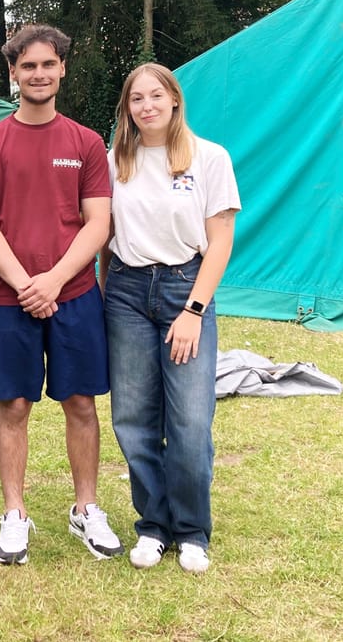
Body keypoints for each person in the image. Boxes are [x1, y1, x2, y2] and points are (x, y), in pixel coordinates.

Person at [0, 24, 124, 565]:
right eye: (27, 66)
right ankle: (14, 515)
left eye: (47, 65)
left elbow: (97, 222)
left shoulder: (84, 143)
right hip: (10, 299)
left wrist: (54, 280)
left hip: (75, 294)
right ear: (13, 72)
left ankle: (86, 509)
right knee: (14, 404)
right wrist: (26, 284)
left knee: (81, 402)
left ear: (62, 70)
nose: (38, 74)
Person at [100, 62, 239, 574]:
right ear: (127, 107)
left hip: (186, 286)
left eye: (156, 96)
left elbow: (220, 241)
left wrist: (194, 311)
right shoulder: (116, 160)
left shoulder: (208, 158)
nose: (147, 106)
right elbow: (104, 236)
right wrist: (103, 292)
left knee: (190, 418)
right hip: (127, 293)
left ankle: (192, 529)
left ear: (175, 100)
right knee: (133, 418)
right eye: (137, 98)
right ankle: (153, 526)